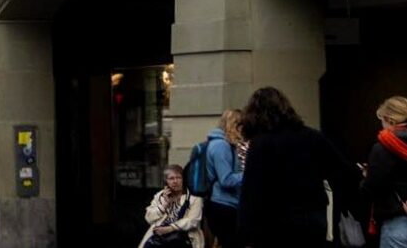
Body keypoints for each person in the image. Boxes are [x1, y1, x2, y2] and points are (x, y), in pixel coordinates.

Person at [237, 85, 361, 248]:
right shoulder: (312, 136)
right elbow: (345, 173)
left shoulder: (261, 144)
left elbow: (252, 192)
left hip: (274, 225)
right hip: (313, 219)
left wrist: (244, 233)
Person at [365, 96, 407, 248]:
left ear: (390, 119)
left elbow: (372, 187)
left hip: (397, 222)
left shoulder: (384, 146)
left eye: (382, 120)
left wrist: (365, 178)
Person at [200, 109, 245, 247]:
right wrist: (249, 174)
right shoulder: (221, 146)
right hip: (223, 205)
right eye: (242, 125)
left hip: (223, 205)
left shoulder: (222, 144)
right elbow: (226, 180)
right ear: (234, 125)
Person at [141, 164, 204, 248]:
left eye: (178, 178)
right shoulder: (160, 196)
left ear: (183, 180)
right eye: (171, 178)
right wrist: (163, 206)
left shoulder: (194, 198)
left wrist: (170, 228)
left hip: (185, 238)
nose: (175, 181)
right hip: (160, 239)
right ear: (166, 181)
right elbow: (149, 218)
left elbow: (193, 221)